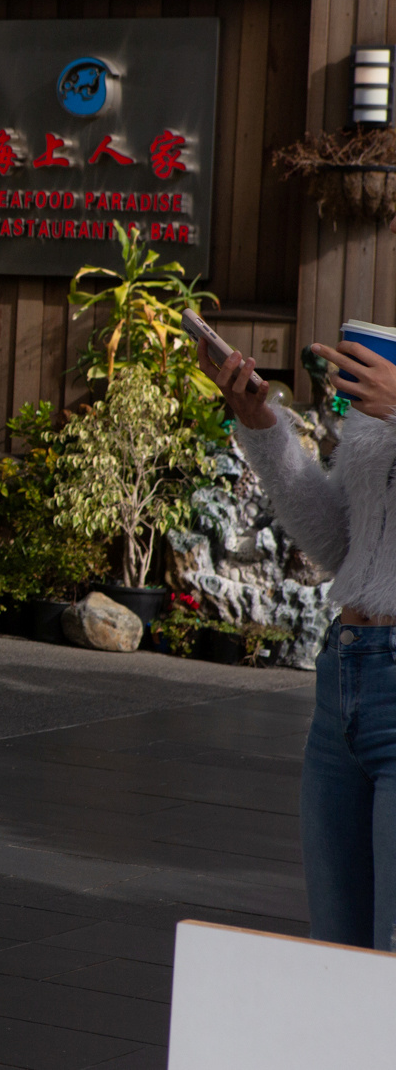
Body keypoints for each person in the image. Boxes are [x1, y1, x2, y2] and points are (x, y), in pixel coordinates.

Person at [211, 318, 396, 951]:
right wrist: (262, 429)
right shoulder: (384, 368)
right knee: (335, 960)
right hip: (345, 679)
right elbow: (343, 546)